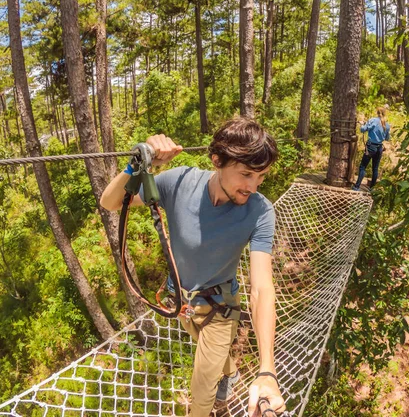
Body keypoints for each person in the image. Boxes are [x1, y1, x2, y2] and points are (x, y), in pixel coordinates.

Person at [100, 118, 285, 417]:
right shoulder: (179, 182)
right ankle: (232, 373)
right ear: (217, 161)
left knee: (201, 397)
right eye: (246, 174)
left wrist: (267, 370)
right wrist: (137, 163)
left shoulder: (261, 211)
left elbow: (262, 288)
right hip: (183, 303)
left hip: (220, 309)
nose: (253, 186)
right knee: (214, 353)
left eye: (261, 176)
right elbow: (110, 202)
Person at [352, 107, 391, 191]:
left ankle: (357, 186)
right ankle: (372, 188)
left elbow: (363, 130)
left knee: (363, 166)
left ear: (377, 112)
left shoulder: (373, 120)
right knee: (375, 168)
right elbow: (387, 138)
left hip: (371, 147)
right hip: (379, 148)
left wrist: (363, 124)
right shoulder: (387, 125)